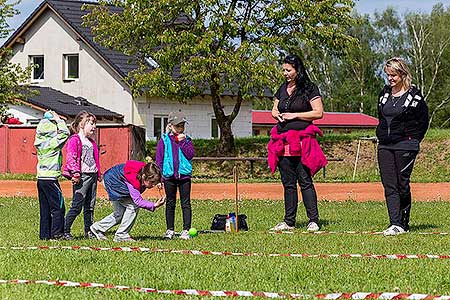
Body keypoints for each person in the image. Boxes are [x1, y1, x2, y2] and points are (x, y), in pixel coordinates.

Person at [267, 54, 327, 232]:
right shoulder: (282, 88)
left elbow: (318, 113)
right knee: (288, 183)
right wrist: (276, 114)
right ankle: (289, 221)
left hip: (302, 143)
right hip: (283, 143)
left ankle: (313, 220)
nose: (285, 73)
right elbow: (274, 109)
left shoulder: (309, 88)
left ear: (297, 70)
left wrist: (295, 115)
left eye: (288, 70)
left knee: (305, 180)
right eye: (283, 69)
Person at [376, 57, 429, 236]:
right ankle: (395, 223)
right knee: (389, 184)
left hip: (406, 144)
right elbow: (381, 117)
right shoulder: (384, 94)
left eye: (393, 75)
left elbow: (423, 121)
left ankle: (403, 221)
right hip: (385, 145)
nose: (390, 79)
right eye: (388, 75)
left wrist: (413, 139)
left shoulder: (415, 96)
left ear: (402, 74)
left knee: (402, 183)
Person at [89, 160, 166, 242]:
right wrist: (154, 205)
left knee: (119, 213)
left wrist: (159, 182)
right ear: (144, 177)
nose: (153, 185)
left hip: (111, 179)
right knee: (133, 206)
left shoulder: (145, 171)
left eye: (155, 182)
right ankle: (121, 235)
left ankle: (96, 228)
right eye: (152, 182)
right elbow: (138, 201)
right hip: (113, 183)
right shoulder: (133, 180)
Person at [156, 111, 195, 240]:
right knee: (170, 203)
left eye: (182, 125)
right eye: (178, 126)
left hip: (184, 177)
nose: (180, 128)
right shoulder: (164, 140)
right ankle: (170, 230)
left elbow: (190, 155)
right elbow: (159, 160)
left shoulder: (187, 140)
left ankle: (186, 230)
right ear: (170, 125)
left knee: (186, 203)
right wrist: (160, 178)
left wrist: (183, 142)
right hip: (169, 177)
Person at [62, 111, 101, 240]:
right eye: (91, 123)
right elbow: (71, 158)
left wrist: (98, 173)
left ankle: (88, 231)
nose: (94, 127)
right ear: (82, 124)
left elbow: (95, 159)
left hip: (93, 175)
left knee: (90, 206)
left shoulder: (92, 142)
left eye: (94, 124)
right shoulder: (75, 140)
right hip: (82, 177)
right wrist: (75, 173)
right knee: (77, 206)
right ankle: (65, 230)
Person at [34, 111, 70, 240]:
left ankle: (44, 235)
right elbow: (66, 133)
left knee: (45, 208)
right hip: (51, 179)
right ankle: (57, 234)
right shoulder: (52, 144)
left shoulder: (39, 142)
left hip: (41, 179)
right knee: (58, 207)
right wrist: (59, 120)